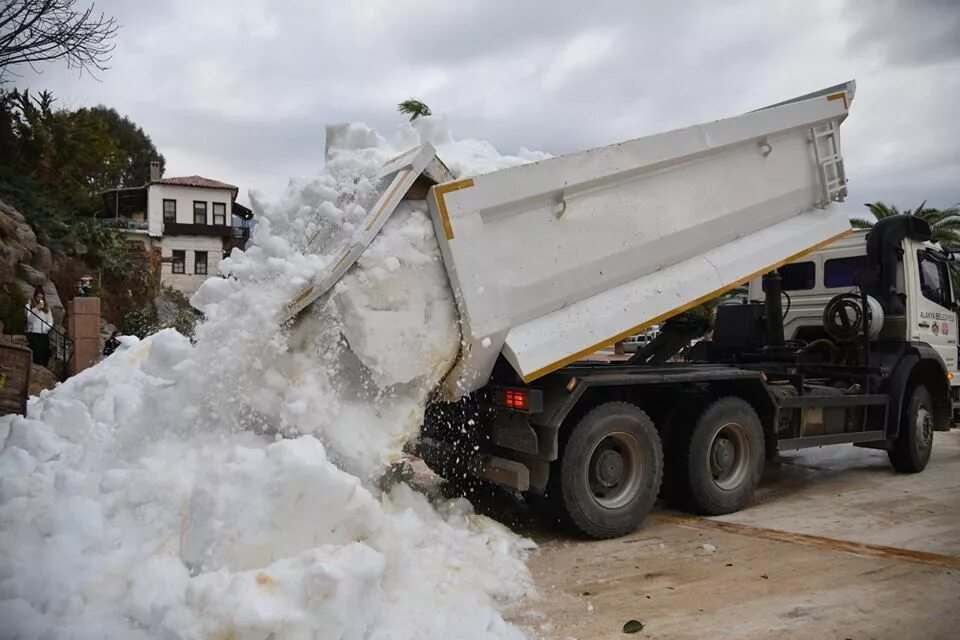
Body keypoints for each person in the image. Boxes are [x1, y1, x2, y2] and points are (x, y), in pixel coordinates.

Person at [25, 287, 53, 366]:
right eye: (38, 297)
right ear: (35, 297)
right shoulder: (29, 306)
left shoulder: (46, 307)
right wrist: (37, 308)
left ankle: (44, 369)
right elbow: (30, 319)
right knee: (37, 352)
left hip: (43, 333)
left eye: (42, 297)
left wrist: (46, 328)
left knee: (45, 352)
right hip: (33, 333)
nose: (40, 299)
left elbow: (50, 321)